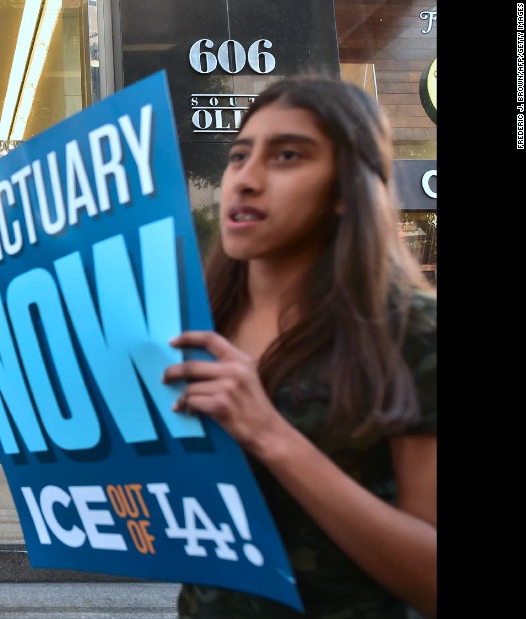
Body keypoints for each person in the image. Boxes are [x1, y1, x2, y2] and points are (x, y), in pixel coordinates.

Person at [160, 76, 436, 618]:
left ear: (344, 190)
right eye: (239, 156)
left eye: (287, 155)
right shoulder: (195, 320)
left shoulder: (412, 332)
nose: (246, 179)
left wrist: (270, 434)